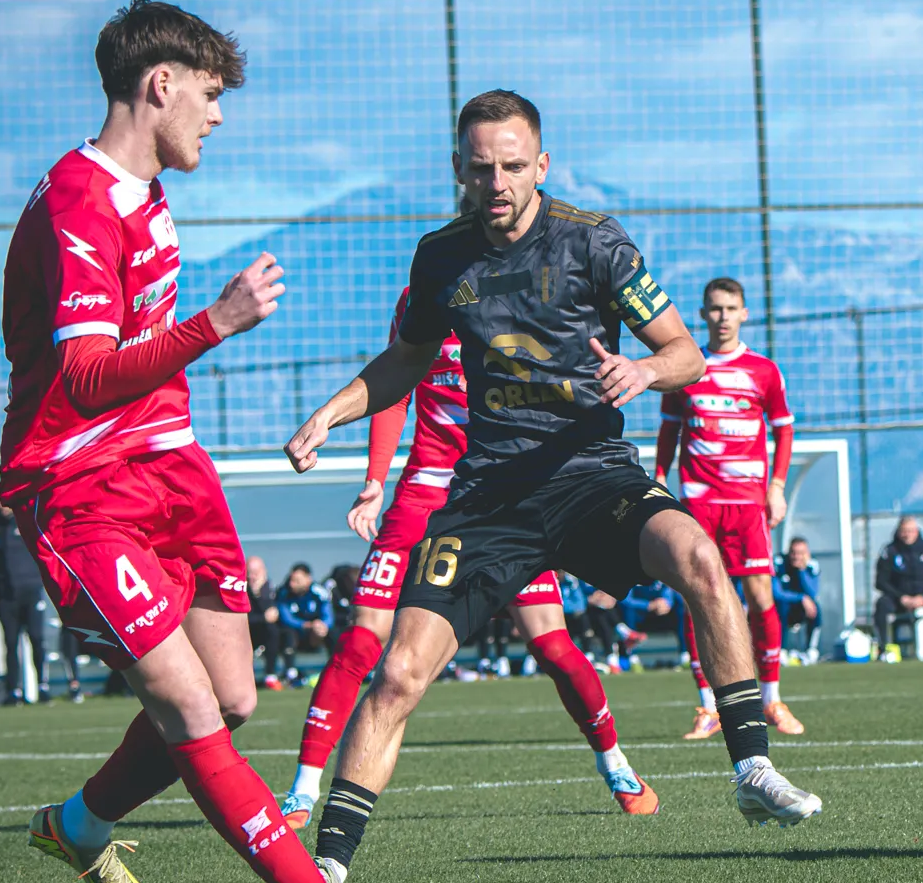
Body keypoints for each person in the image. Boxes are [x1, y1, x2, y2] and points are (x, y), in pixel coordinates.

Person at [285, 91, 820, 883]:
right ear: (459, 170)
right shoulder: (440, 257)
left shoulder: (594, 243)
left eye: (511, 166)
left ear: (541, 165)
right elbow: (405, 362)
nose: (496, 182)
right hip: (489, 497)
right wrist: (330, 413)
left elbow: (684, 353)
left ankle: (751, 768)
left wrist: (643, 368)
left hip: (592, 476)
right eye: (481, 168)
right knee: (398, 674)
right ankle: (325, 869)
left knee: (700, 559)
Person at [0, 0, 376, 883]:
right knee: (192, 710)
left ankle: (77, 826)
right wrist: (218, 322)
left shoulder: (148, 191)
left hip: (170, 468)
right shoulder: (80, 202)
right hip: (80, 488)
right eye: (209, 95)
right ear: (159, 85)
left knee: (235, 697)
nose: (216, 116)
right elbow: (86, 379)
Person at [276, 281, 661, 830]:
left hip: (501, 498)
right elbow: (395, 388)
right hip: (426, 492)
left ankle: (615, 764)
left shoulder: (531, 290)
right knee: (363, 639)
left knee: (552, 645)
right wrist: (375, 481)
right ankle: (301, 791)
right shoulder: (423, 294)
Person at [656, 276, 804, 739]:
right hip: (699, 502)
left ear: (744, 314)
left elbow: (783, 429)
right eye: (715, 308)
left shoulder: (764, 370)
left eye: (730, 308)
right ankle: (708, 707)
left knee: (761, 598)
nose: (723, 317)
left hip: (747, 503)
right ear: (703, 315)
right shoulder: (687, 368)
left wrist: (776, 487)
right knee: (698, 599)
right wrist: (659, 479)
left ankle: (771, 700)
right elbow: (669, 430)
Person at [0, 503, 68, 703]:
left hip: (30, 592)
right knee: (11, 642)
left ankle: (43, 686)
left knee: (37, 639)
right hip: (6, 596)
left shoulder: (26, 523)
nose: (0, 505)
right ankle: (14, 690)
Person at [872, 516, 923, 663]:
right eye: (904, 531)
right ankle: (883, 648)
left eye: (911, 531)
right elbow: (881, 582)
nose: (907, 535)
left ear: (917, 531)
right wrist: (901, 597)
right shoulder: (890, 551)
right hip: (900, 599)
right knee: (882, 605)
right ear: (899, 532)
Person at [274, 561, 332, 687]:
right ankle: (290, 674)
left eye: (297, 580)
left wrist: (322, 625)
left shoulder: (319, 592)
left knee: (333, 633)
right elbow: (286, 618)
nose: (292, 584)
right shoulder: (284, 593)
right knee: (287, 633)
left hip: (315, 634)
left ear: (308, 579)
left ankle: (335, 672)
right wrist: (306, 625)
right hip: (296, 632)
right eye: (291, 580)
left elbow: (328, 616)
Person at [772, 537, 823, 665]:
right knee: (782, 606)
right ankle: (781, 650)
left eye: (801, 553)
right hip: (783, 609)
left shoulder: (812, 565)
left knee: (816, 608)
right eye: (793, 553)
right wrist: (801, 598)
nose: (796, 557)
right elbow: (777, 593)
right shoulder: (779, 563)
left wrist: (802, 571)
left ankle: (811, 650)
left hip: (801, 609)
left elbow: (813, 593)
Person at [244, 555, 289, 689]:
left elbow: (273, 616)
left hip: (266, 634)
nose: (252, 577)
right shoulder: (242, 590)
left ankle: (272, 674)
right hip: (247, 631)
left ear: (263, 572)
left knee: (275, 630)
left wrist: (259, 595)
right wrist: (263, 617)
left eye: (255, 573)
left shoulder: (271, 589)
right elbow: (245, 618)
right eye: (249, 573)